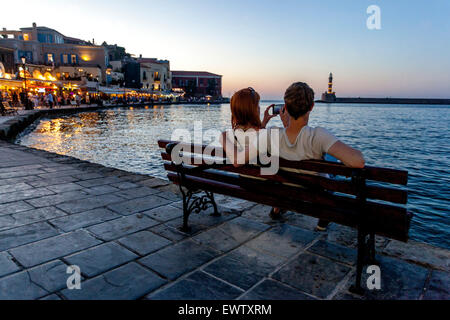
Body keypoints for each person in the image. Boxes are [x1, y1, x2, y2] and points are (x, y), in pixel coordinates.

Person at [267, 82, 365, 230]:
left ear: (285, 108)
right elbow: (358, 161)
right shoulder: (318, 135)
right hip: (315, 195)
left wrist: (285, 126)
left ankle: (277, 208)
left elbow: (289, 141)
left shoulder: (272, 133)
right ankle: (322, 220)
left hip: (286, 189)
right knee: (332, 162)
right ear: (311, 107)